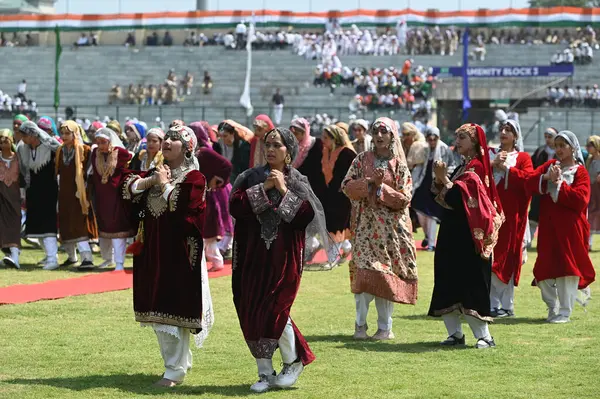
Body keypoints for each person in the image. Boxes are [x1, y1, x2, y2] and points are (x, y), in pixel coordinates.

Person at [230, 127, 334, 393]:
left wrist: (284, 189)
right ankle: (265, 373)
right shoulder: (250, 177)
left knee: (276, 310)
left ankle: (293, 361)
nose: (271, 149)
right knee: (252, 310)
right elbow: (235, 207)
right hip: (253, 256)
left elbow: (305, 216)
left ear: (289, 151)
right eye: (268, 144)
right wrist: (263, 188)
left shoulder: (298, 181)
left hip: (284, 258)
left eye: (277, 145)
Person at [122, 125, 214, 387]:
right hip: (153, 252)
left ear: (187, 148)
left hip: (180, 254)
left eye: (175, 138)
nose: (167, 141)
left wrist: (163, 186)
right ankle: (177, 364)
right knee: (158, 311)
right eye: (166, 137)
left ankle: (174, 371)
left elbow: (188, 212)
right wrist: (153, 180)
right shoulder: (156, 172)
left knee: (174, 312)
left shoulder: (195, 178)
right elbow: (127, 188)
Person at [428, 123, 504, 349]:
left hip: (470, 237)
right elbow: (442, 197)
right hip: (453, 233)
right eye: (457, 136)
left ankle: (485, 337)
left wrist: (444, 179)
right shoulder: (463, 166)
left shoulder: (477, 167)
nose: (458, 140)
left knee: (472, 282)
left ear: (474, 142)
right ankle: (455, 334)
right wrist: (441, 179)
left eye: (463, 137)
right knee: (447, 279)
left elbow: (459, 199)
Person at [342, 117, 418, 341]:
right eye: (376, 131)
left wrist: (381, 188)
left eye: (384, 132)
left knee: (385, 278)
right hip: (365, 229)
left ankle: (385, 328)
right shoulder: (360, 160)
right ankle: (360, 326)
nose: (379, 136)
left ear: (392, 136)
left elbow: (404, 199)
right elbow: (346, 186)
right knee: (364, 278)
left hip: (390, 233)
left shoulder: (400, 167)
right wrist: (369, 184)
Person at [524, 131, 595, 323]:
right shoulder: (550, 166)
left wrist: (559, 184)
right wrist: (546, 178)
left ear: (573, 148)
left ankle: (565, 311)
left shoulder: (579, 172)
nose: (559, 150)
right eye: (556, 146)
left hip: (570, 229)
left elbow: (580, 200)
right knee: (543, 269)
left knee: (567, 269)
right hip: (548, 228)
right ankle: (552, 306)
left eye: (563, 145)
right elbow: (528, 182)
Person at [488, 120, 533, 317]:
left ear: (515, 136)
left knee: (509, 255)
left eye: (509, 130)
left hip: (512, 216)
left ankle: (507, 305)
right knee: (490, 256)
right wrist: (492, 164)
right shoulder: (490, 153)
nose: (504, 132)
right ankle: (491, 303)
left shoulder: (522, 157)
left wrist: (508, 169)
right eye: (501, 129)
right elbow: (477, 174)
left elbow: (528, 181)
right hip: (490, 214)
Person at [189, 121, 232, 271]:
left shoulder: (204, 152)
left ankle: (217, 262)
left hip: (208, 196)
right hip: (197, 196)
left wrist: (218, 181)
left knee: (208, 232)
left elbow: (226, 165)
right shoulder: (194, 152)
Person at [90, 128, 135, 271]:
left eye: (103, 142)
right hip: (102, 198)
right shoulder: (95, 153)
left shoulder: (119, 153)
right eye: (98, 142)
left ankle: (120, 263)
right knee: (104, 230)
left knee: (117, 229)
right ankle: (107, 259)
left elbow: (130, 155)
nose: (100, 145)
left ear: (110, 141)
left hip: (116, 197)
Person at [18, 121, 61, 270]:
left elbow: (61, 160)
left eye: (24, 135)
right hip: (33, 190)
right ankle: (49, 256)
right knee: (37, 225)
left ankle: (52, 259)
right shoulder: (22, 148)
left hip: (49, 189)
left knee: (48, 224)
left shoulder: (51, 146)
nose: (22, 138)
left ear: (32, 134)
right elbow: (24, 170)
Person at [56, 121, 97, 269]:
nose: (64, 136)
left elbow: (89, 173)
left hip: (79, 194)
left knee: (79, 224)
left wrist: (84, 191)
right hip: (64, 193)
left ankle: (87, 258)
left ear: (75, 133)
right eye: (62, 133)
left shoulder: (85, 150)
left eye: (68, 133)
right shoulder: (60, 150)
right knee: (66, 222)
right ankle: (72, 257)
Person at [411, 126, 456, 251]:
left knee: (431, 216)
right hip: (422, 184)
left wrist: (443, 177)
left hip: (436, 186)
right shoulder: (423, 149)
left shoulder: (444, 149)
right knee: (420, 212)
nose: (431, 141)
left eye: (434, 138)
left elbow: (451, 166)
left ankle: (431, 243)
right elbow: (417, 165)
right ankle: (427, 236)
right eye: (429, 138)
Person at [290, 117, 327, 262]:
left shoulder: (316, 144)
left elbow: (318, 168)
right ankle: (310, 246)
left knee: (308, 218)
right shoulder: (292, 146)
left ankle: (310, 246)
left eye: (298, 133)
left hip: (313, 188)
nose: (295, 136)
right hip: (295, 188)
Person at [321, 124, 356, 260]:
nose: (323, 140)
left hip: (342, 196)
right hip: (328, 195)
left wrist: (345, 186)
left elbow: (355, 172)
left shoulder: (347, 153)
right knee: (331, 224)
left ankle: (332, 258)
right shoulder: (324, 152)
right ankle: (347, 247)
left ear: (334, 138)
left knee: (337, 224)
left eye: (326, 138)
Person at [528, 127, 558, 242]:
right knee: (534, 213)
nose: (547, 139)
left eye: (550, 137)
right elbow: (532, 166)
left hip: (554, 187)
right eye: (546, 137)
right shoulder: (540, 150)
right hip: (540, 186)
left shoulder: (560, 151)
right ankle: (529, 240)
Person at [0, 130, 21, 269]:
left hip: (15, 198)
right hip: (1, 197)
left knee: (14, 225)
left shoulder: (19, 158)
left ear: (12, 141)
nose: (3, 143)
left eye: (6, 140)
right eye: (1, 141)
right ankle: (9, 256)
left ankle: (15, 257)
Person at [585, 135, 600, 251]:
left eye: (591, 145)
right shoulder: (589, 160)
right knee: (590, 215)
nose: (588, 147)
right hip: (591, 190)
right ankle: (588, 243)